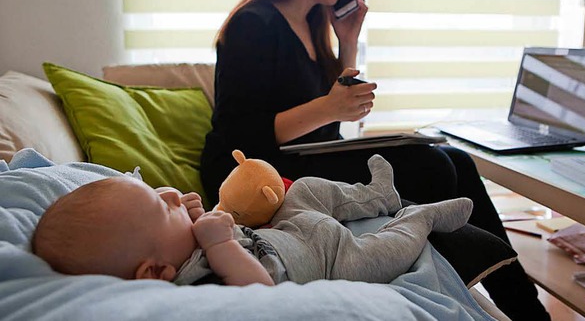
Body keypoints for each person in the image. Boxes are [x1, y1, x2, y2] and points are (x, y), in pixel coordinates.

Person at [199, 0, 550, 320]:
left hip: (304, 156)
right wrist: (328, 107)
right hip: (257, 170)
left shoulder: (311, 24)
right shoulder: (253, 24)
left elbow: (334, 121)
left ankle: (525, 309)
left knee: (458, 161)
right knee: (433, 165)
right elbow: (242, 135)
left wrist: (346, 38)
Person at [32, 155, 473, 287]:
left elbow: (212, 232)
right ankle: (421, 218)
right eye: (160, 205)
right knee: (390, 252)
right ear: (154, 272)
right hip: (332, 260)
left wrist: (193, 218)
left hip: (287, 230)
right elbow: (258, 287)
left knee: (302, 189)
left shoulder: (178, 246)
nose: (169, 193)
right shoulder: (195, 282)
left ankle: (375, 196)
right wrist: (220, 246)